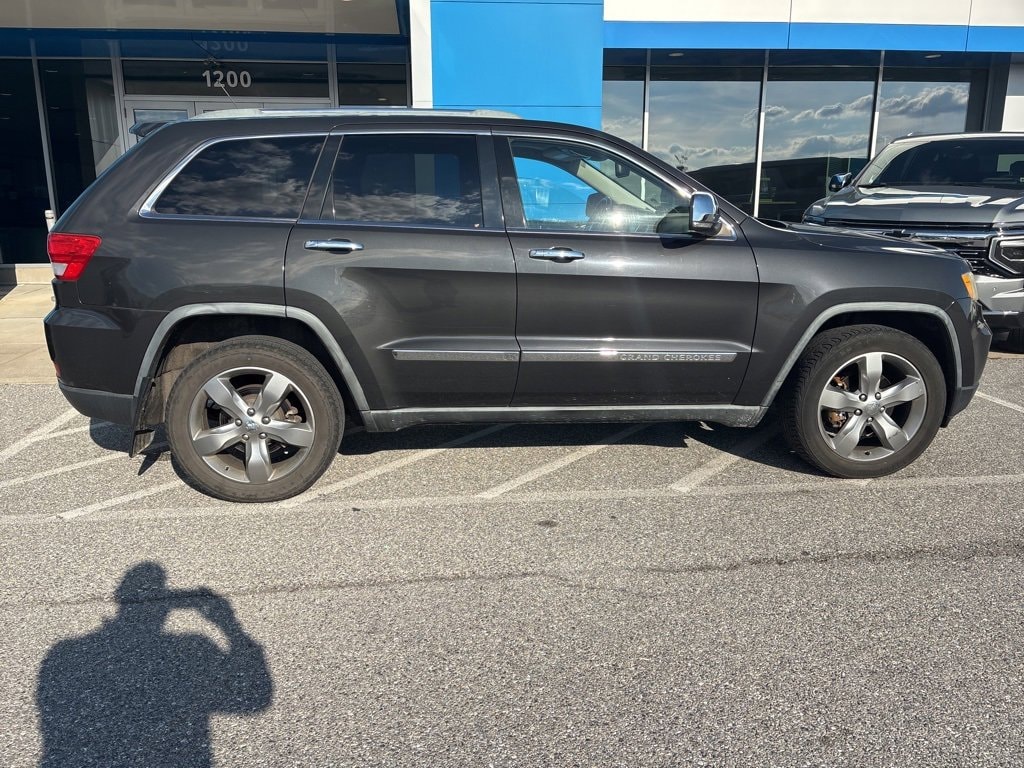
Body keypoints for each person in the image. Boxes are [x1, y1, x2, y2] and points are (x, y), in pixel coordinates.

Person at [37, 562, 272, 767]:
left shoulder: (66, 652)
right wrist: (229, 626)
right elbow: (253, 698)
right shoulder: (192, 647)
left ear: (120, 596)